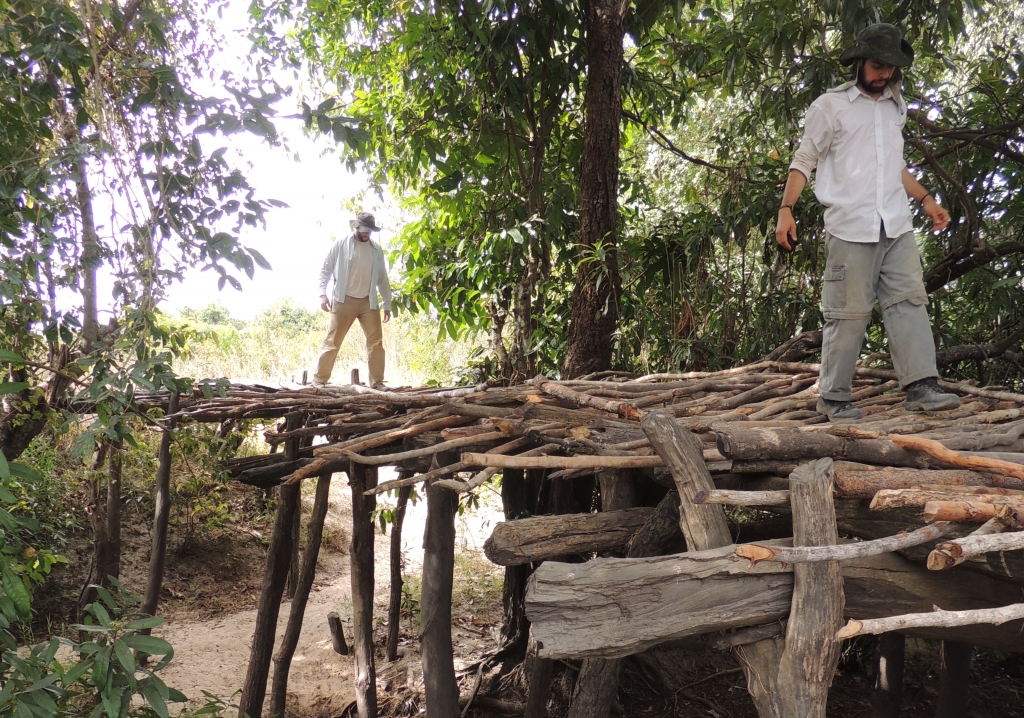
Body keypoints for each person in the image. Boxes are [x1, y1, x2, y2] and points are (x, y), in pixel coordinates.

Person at [775, 23, 960, 422]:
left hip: (896, 223)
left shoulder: (895, 106)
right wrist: (786, 209)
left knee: (909, 301)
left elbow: (894, 167)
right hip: (850, 227)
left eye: (891, 68)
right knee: (848, 313)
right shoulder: (830, 106)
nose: (884, 75)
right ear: (859, 62)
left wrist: (926, 200)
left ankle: (922, 387)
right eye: (878, 66)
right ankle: (834, 397)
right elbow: (803, 160)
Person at [313, 211, 393, 388]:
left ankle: (377, 383)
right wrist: (322, 294)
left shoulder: (376, 249)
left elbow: (382, 278)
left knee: (376, 343)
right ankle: (319, 379)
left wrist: (387, 303)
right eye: (363, 230)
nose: (366, 233)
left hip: (368, 301)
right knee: (332, 341)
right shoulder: (341, 245)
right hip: (343, 300)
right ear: (356, 227)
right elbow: (325, 270)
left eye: (369, 231)